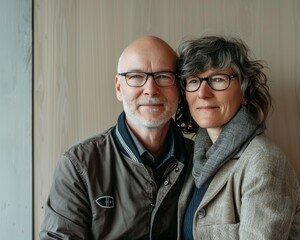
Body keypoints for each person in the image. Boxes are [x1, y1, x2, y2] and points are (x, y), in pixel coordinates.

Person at [40, 35, 193, 239]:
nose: (150, 89)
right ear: (119, 87)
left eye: (164, 76)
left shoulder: (200, 160)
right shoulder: (79, 165)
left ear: (179, 88)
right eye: (136, 77)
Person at [175, 36, 300, 240]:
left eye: (217, 79)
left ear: (244, 91)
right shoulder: (193, 159)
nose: (202, 92)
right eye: (193, 81)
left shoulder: (263, 163)